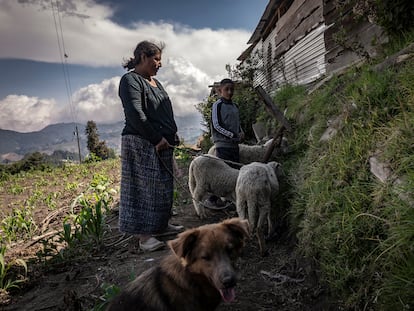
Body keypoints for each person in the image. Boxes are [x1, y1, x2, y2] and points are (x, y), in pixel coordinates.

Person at [118, 40, 183, 252]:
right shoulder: (131, 81)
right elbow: (136, 114)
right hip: (141, 142)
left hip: (163, 142)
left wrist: (172, 135)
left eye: (160, 60)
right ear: (143, 57)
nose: (159, 64)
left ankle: (161, 226)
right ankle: (145, 237)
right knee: (143, 190)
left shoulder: (156, 83)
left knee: (163, 188)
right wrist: (156, 138)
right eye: (156, 59)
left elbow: (163, 111)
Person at [207, 78, 244, 208]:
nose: (229, 92)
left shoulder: (235, 106)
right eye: (226, 89)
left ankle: (231, 200)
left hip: (234, 145)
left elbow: (237, 124)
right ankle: (212, 199)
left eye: (231, 89)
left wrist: (240, 132)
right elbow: (217, 125)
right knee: (223, 173)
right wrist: (231, 135)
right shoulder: (218, 105)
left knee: (235, 171)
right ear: (220, 90)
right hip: (222, 144)